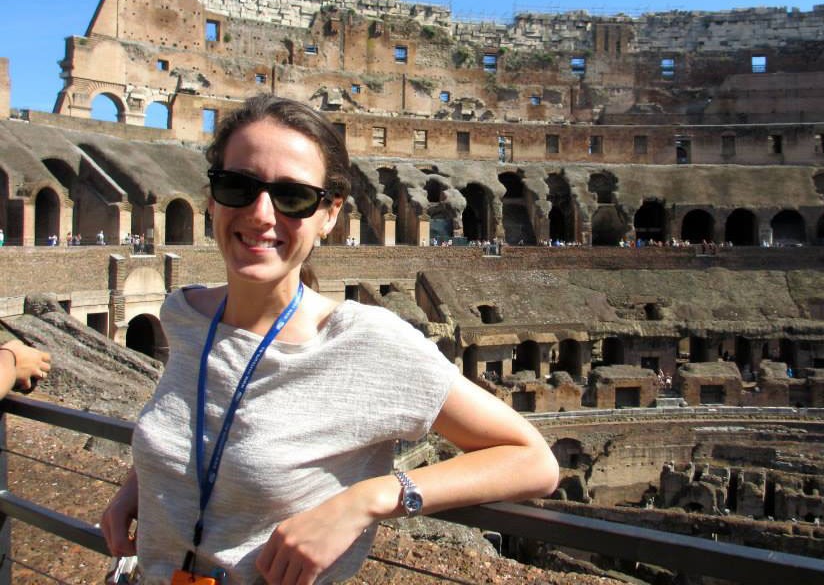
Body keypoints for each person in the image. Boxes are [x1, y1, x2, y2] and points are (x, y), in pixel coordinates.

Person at [100, 95, 559, 585]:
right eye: (237, 186)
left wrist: (369, 499)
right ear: (212, 198)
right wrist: (148, 479)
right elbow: (205, 421)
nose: (260, 214)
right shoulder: (185, 313)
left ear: (329, 213)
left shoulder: (366, 343)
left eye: (292, 196)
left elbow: (533, 461)